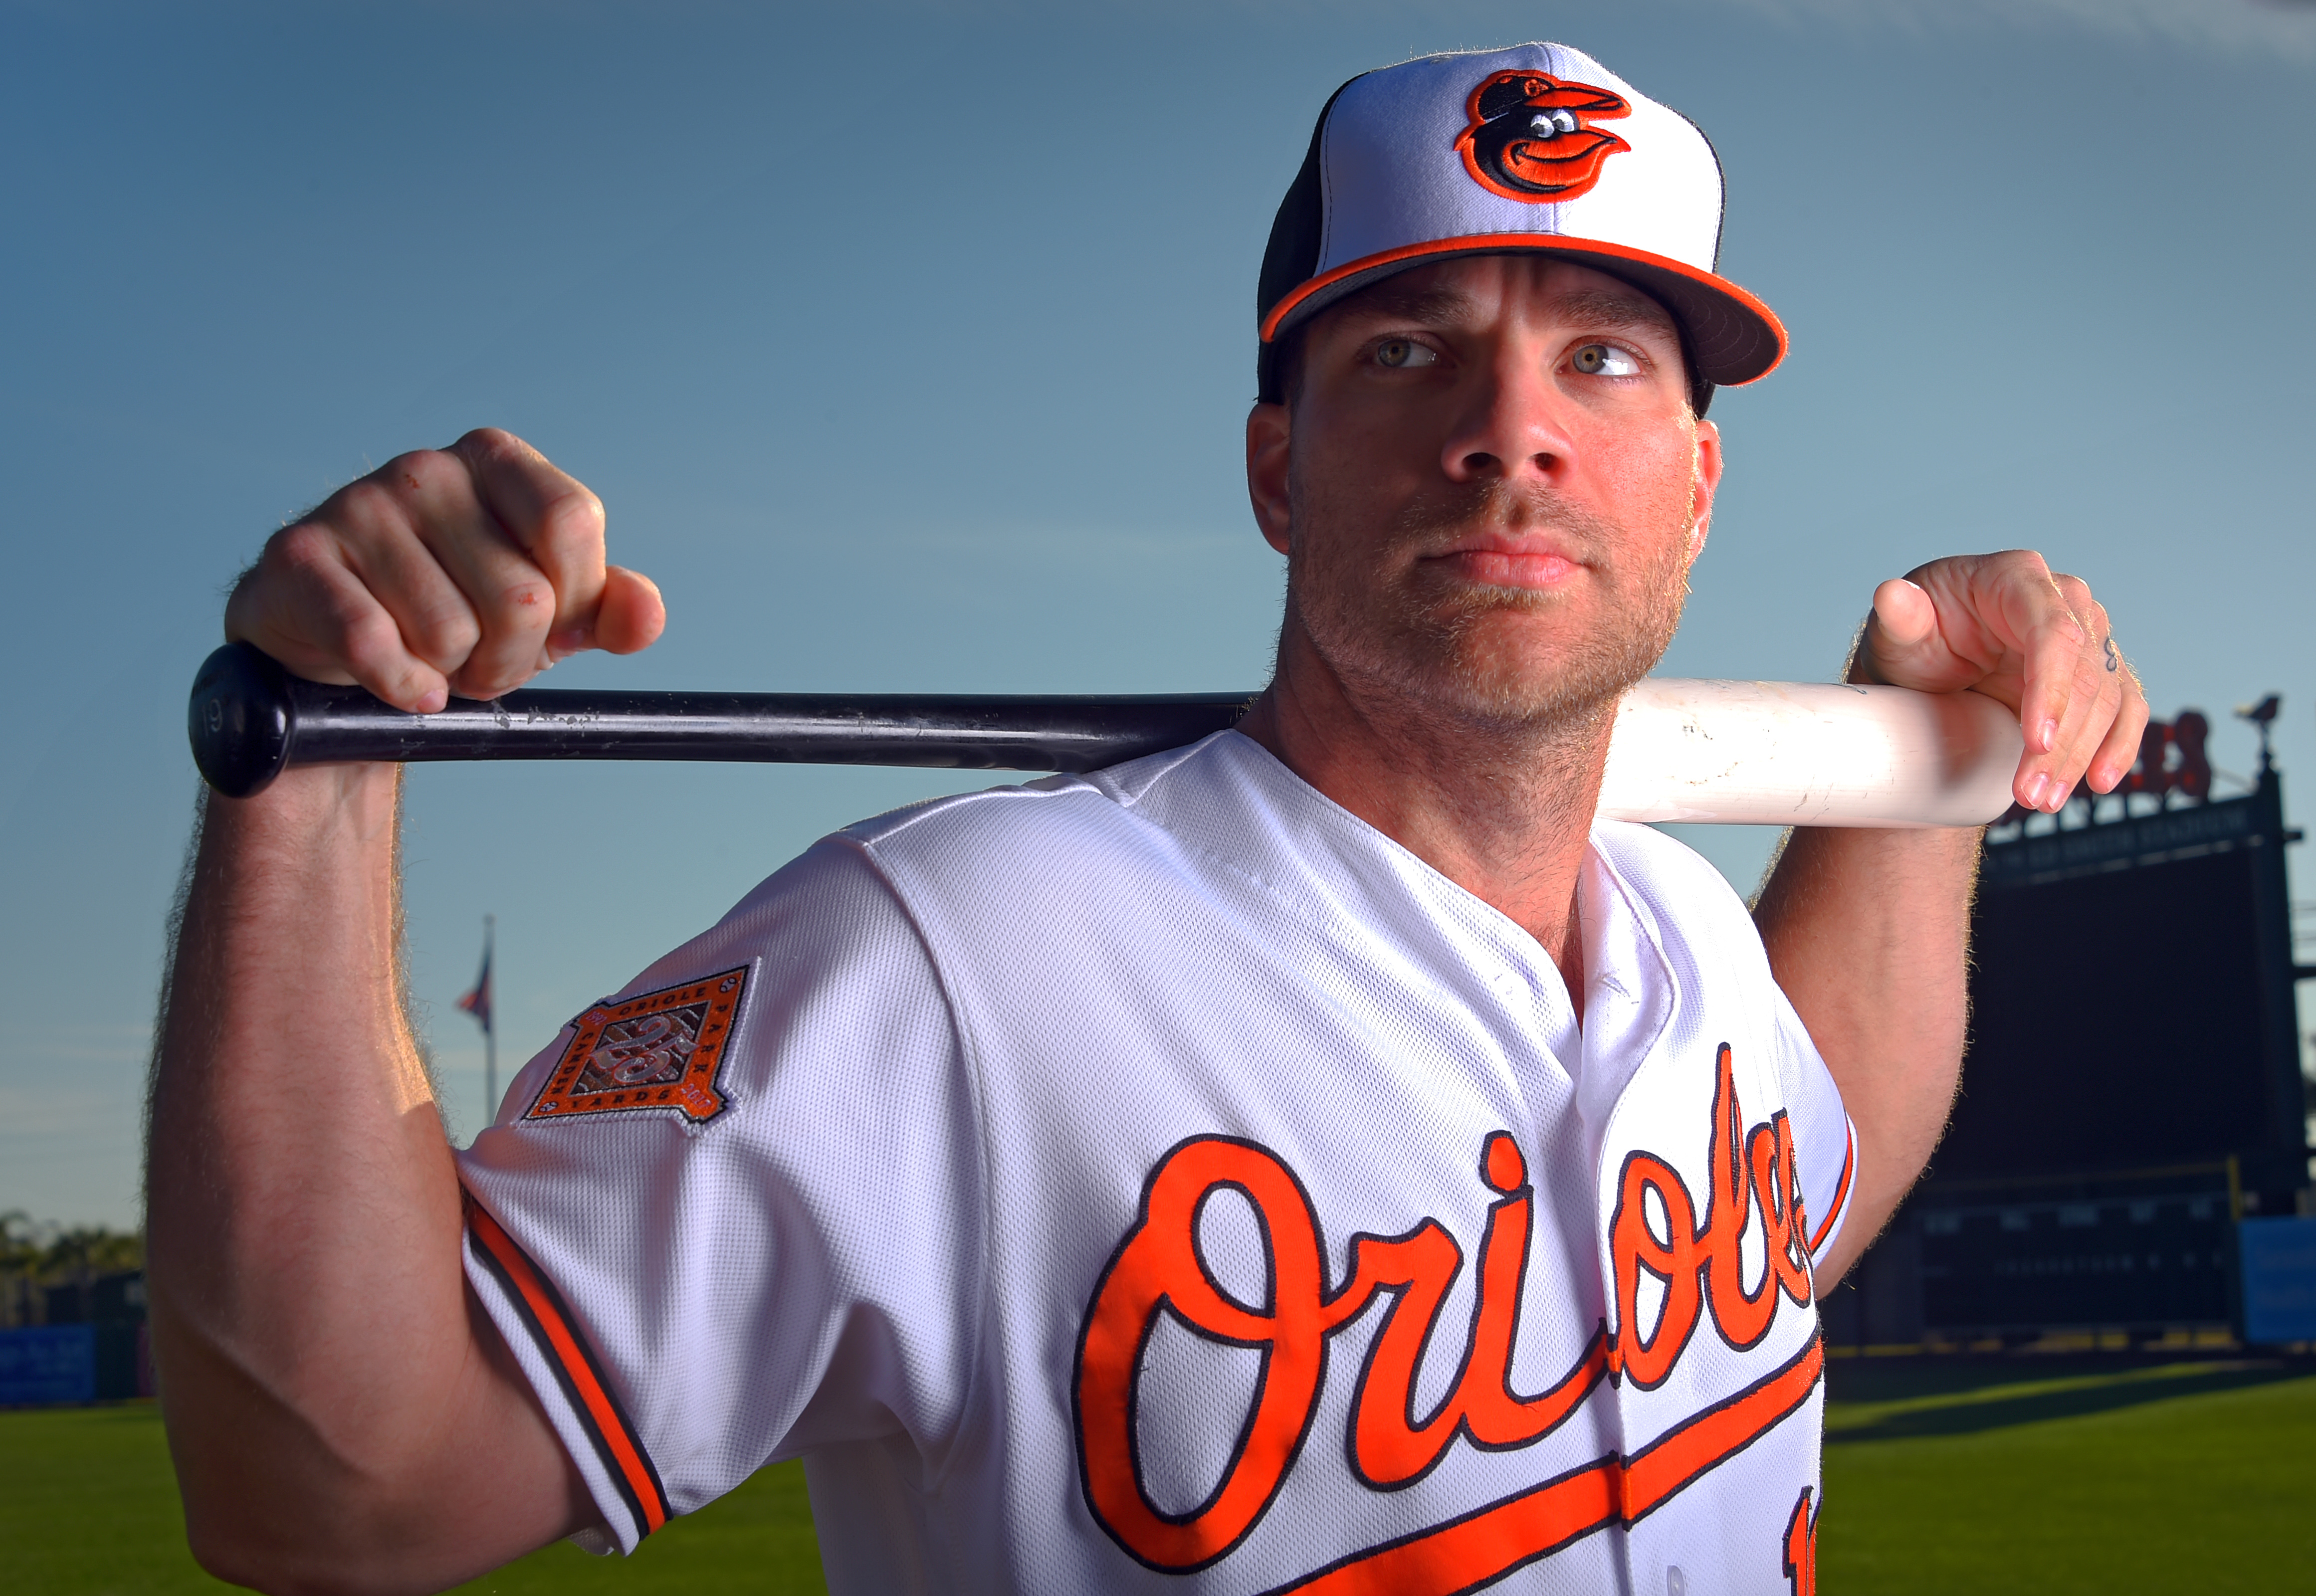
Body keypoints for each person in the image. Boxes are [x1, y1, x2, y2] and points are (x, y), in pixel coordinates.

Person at [146, 41, 2143, 1596]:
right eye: (1408, 345)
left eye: (1600, 355)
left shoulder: (1691, 932)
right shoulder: (963, 957)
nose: (1510, 424)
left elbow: (1796, 1213)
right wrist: (321, 769)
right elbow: (343, 1485)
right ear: (1277, 467)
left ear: (1694, 483)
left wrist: (1921, 747)